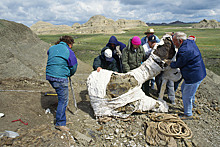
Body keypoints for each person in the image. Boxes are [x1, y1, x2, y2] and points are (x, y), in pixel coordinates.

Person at [165, 32, 206, 119]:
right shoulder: (189, 42)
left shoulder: (185, 50)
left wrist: (169, 63)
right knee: (184, 89)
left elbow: (179, 63)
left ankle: (188, 114)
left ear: (180, 40)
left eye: (175, 41)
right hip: (198, 72)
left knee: (186, 96)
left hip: (193, 76)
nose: (174, 43)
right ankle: (192, 104)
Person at [46, 35, 78, 131]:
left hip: (49, 76)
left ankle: (62, 119)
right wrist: (70, 73)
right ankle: (60, 123)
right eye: (71, 45)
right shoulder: (69, 51)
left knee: (61, 96)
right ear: (69, 43)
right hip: (60, 77)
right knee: (63, 100)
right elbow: (74, 66)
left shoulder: (52, 48)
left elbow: (50, 54)